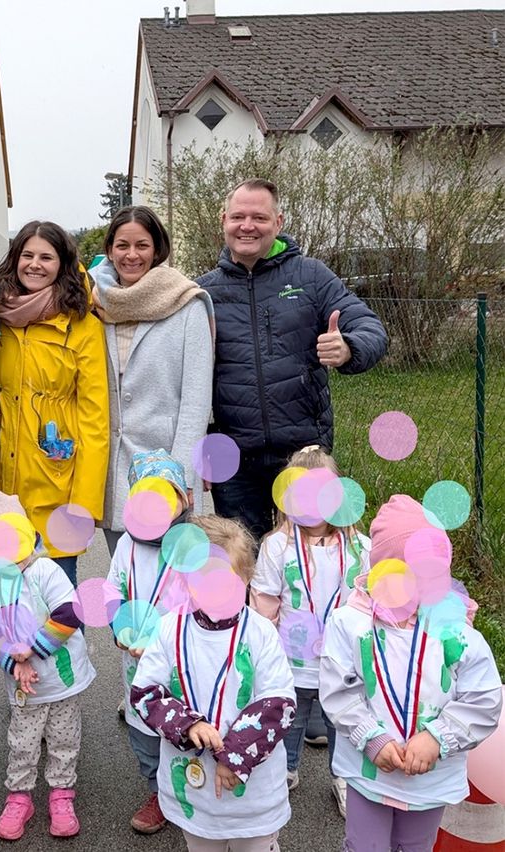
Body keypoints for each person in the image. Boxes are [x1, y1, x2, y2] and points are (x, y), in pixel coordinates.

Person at [197, 178, 388, 540]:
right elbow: (187, 378)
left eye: (259, 217)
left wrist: (349, 346)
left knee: (311, 557)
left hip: (305, 452)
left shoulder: (311, 277)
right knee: (244, 562)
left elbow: (370, 327)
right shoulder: (203, 293)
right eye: (238, 216)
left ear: (279, 222)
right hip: (235, 460)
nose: (247, 226)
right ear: (223, 220)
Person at [320, 494, 502, 852]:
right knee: (364, 846)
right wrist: (372, 738)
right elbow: (338, 689)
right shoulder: (352, 623)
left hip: (430, 776)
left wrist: (437, 738)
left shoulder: (457, 633)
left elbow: (484, 698)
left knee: (416, 847)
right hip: (369, 768)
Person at [131, 514, 296, 852]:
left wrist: (234, 756)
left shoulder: (260, 633)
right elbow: (145, 692)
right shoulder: (169, 629)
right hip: (195, 787)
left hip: (252, 792)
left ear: (246, 577)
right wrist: (187, 724)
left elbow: (278, 704)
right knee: (201, 843)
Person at [250, 445, 372, 817]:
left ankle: (343, 776)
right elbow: (265, 601)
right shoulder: (277, 546)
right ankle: (284, 770)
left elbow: (370, 599)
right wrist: (263, 651)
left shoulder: (360, 547)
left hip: (344, 661)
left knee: (343, 720)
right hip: (293, 658)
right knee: (291, 716)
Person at [89, 206, 213, 556]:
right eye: (122, 245)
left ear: (158, 249)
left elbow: (195, 402)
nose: (131, 255)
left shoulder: (187, 304)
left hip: (165, 463)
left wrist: (179, 478)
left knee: (170, 581)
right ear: (110, 249)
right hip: (113, 465)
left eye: (142, 245)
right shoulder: (94, 301)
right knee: (127, 577)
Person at [0, 221, 109, 587]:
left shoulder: (82, 325)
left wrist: (84, 504)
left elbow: (95, 417)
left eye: (46, 257)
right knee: (6, 612)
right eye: (27, 255)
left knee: (60, 615)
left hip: (57, 483)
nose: (35, 264)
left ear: (63, 264)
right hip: (1, 485)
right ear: (15, 259)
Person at [0, 491, 95, 841]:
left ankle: (61, 794)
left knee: (63, 739)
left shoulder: (44, 569)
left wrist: (33, 650)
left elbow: (70, 612)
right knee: (22, 743)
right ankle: (19, 797)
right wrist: (13, 664)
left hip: (62, 681)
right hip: (23, 687)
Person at [106, 450, 191, 835]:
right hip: (136, 662)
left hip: (182, 662)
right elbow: (112, 592)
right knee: (144, 735)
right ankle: (157, 789)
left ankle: (187, 787)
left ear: (183, 500)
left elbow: (207, 598)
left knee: (182, 727)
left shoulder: (194, 544)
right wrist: (121, 628)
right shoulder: (126, 546)